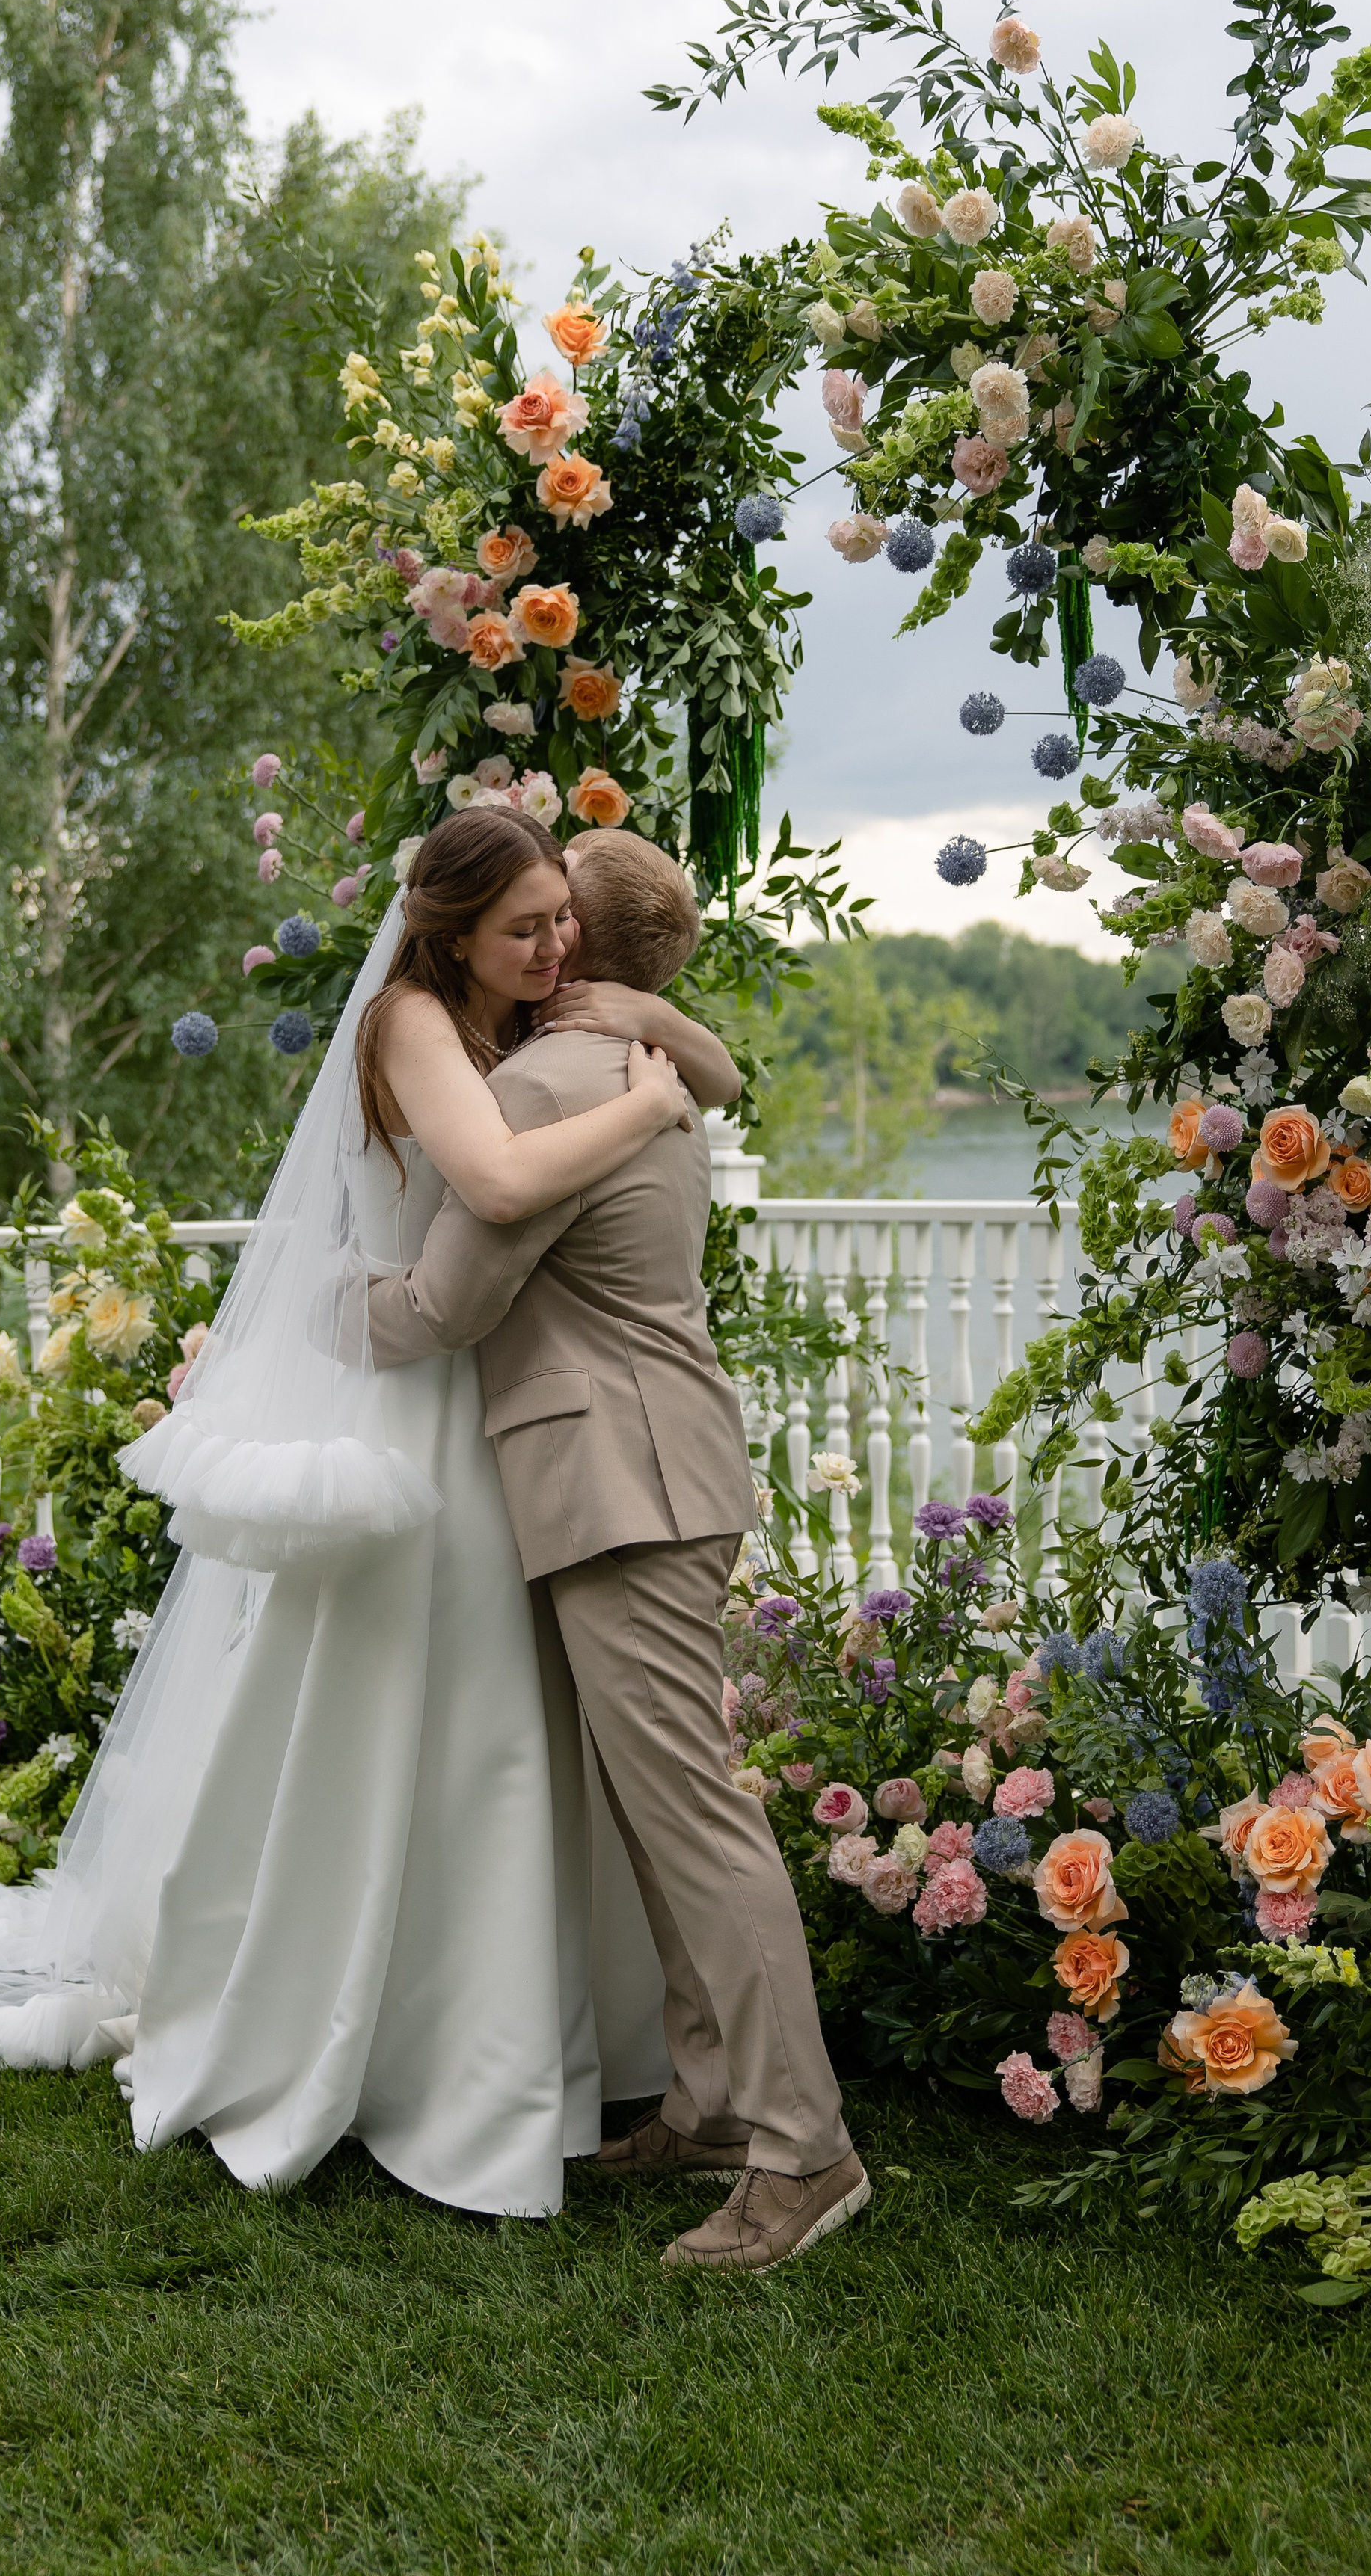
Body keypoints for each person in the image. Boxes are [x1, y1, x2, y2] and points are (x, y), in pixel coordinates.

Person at [0, 808, 739, 2219]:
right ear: (451, 930)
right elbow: (487, 1184)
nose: (555, 947)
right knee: (406, 1717)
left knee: (499, 1730)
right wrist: (651, 1108)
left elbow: (710, 1064)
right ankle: (392, 2040)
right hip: (413, 1384)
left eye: (564, 921)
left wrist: (669, 1067)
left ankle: (530, 2040)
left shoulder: (529, 1020)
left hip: (479, 1407)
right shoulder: (419, 1022)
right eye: (525, 926)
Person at [366, 832, 868, 2273]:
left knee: (696, 1817)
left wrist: (310, 1320)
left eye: (551, 919)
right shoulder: (634, 1070)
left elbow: (449, 1303)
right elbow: (706, 1073)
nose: (543, 943)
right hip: (650, 1467)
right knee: (664, 1811)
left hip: (620, 1479)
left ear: (574, 939)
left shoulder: (542, 1086)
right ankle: (710, 2100)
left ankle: (805, 2150)